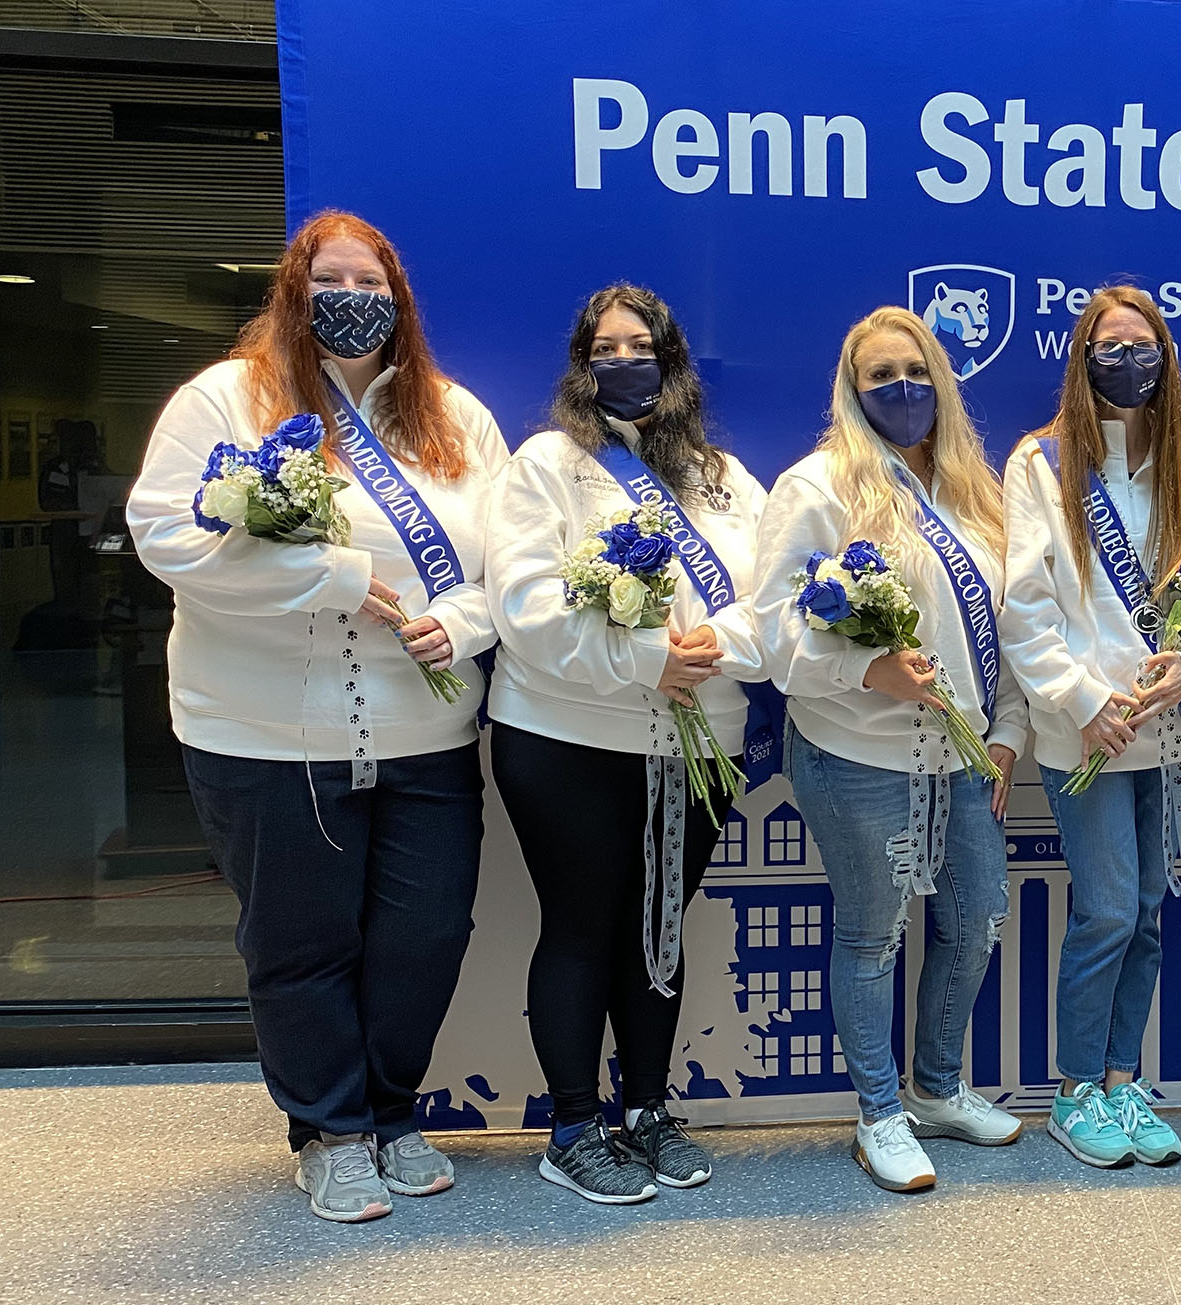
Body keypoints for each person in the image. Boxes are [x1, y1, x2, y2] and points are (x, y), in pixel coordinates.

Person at [125, 210, 505, 1223]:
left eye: (372, 282)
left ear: (400, 299)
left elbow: (506, 562)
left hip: (426, 734)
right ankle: (327, 1131)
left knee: (423, 934)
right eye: (331, 279)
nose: (353, 299)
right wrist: (330, 576)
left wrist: (461, 624)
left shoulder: (454, 416)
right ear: (294, 291)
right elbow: (163, 533)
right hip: (266, 734)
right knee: (300, 941)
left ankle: (389, 1109)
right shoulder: (226, 399)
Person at [486, 284, 766, 1205]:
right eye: (604, 348)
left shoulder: (724, 476)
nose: (623, 360)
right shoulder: (546, 464)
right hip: (566, 735)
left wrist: (717, 648)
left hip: (694, 746)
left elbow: (775, 601)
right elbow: (525, 609)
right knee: (581, 925)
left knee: (658, 929)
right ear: (581, 363)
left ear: (674, 358)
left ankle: (646, 1108)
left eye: (640, 344)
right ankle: (573, 1124)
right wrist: (649, 656)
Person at [754, 307, 1030, 1192]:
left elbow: (1014, 626)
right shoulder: (816, 487)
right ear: (851, 387)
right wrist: (869, 668)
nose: (901, 389)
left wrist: (1010, 733)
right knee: (873, 935)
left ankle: (938, 1087)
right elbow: (772, 632)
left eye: (915, 370)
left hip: (960, 758)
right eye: (880, 376)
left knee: (975, 918)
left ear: (941, 379)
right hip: (856, 752)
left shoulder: (972, 490)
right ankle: (878, 1112)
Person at [998, 285, 1181, 1168]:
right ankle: (1071, 1091)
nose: (1127, 359)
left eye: (1143, 345)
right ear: (1082, 357)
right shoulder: (1040, 464)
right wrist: (1079, 698)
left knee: (1145, 910)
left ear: (1166, 360)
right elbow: (1022, 607)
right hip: (1083, 733)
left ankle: (1121, 1080)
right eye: (1110, 345)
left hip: (1165, 729)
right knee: (1103, 909)